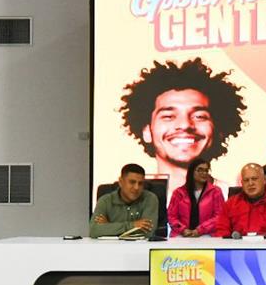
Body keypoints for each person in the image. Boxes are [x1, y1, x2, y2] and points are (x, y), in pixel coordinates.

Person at [120, 58, 246, 200]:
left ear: (219, 131)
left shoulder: (233, 197)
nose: (185, 125)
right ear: (147, 131)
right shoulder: (131, 198)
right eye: (168, 116)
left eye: (199, 116)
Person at [214, 163, 266, 238]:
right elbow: (221, 233)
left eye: (254, 179)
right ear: (241, 183)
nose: (250, 183)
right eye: (246, 180)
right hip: (238, 249)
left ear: (264, 179)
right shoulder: (230, 204)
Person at [89, 163, 159, 238]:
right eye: (132, 182)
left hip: (140, 245)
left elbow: (148, 233)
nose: (136, 187)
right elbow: (93, 231)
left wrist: (108, 226)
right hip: (110, 245)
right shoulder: (105, 201)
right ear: (121, 182)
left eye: (140, 183)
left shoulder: (150, 199)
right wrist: (133, 225)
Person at [166, 158, 225, 237]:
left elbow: (219, 216)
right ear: (191, 172)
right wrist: (183, 230)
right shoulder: (178, 193)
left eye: (206, 170)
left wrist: (200, 230)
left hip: (207, 234)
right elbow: (171, 216)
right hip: (182, 234)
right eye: (200, 170)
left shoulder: (215, 191)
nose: (204, 173)